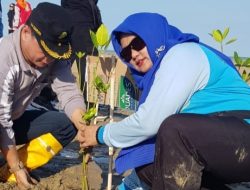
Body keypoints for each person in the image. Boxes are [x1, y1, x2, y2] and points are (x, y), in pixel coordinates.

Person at [78, 12, 250, 190]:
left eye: (137, 44)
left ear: (153, 34)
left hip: (242, 134)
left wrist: (99, 134)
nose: (134, 54)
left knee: (176, 129)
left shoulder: (182, 54)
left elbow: (148, 123)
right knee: (150, 167)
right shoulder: (161, 72)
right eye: (126, 52)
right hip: (218, 144)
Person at [0, 2, 86, 189]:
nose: (49, 59)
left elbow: (69, 92)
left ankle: (7, 170)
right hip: (1, 122)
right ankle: (13, 165)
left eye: (54, 53)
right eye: (45, 51)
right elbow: (2, 120)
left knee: (67, 125)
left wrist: (83, 125)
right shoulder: (4, 59)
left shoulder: (51, 58)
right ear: (25, 33)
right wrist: (17, 166)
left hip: (13, 121)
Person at [61, 0, 102, 92]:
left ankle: (46, 94)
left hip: (73, 17)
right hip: (82, 20)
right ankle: (90, 100)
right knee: (88, 62)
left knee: (63, 59)